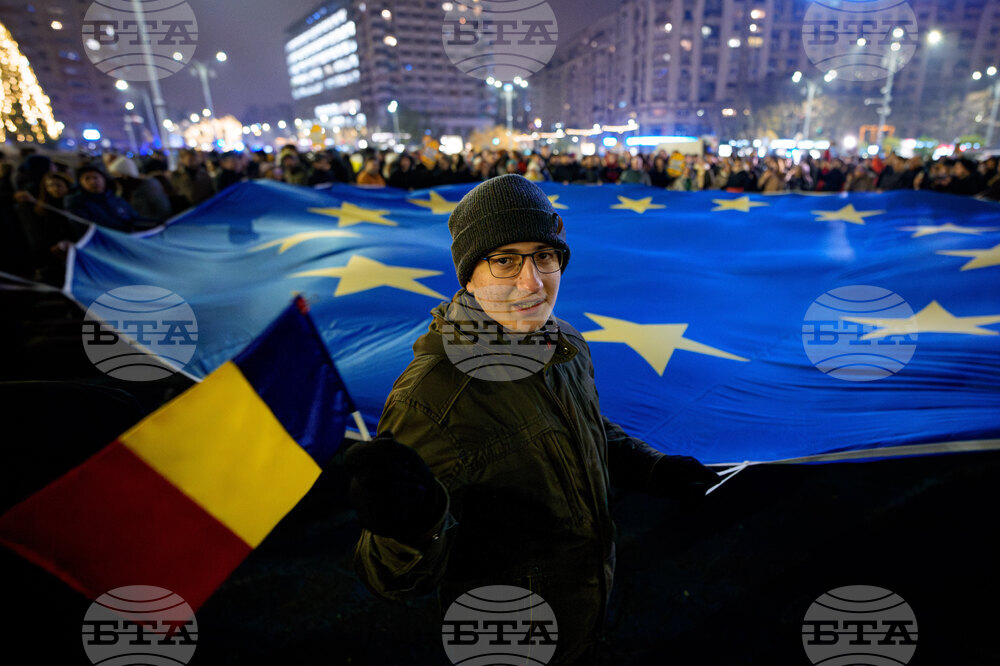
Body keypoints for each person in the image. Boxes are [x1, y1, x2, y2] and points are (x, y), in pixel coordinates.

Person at [347, 174, 720, 665]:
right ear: (469, 274)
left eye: (544, 256)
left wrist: (654, 469)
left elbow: (584, 427)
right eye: (505, 260)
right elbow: (387, 579)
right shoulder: (432, 400)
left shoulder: (564, 342)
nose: (532, 282)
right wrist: (414, 526)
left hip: (586, 616)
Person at [66, 164, 143, 232]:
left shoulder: (115, 199)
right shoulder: (77, 203)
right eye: (87, 179)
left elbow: (135, 218)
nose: (92, 182)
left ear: (104, 179)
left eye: (95, 177)